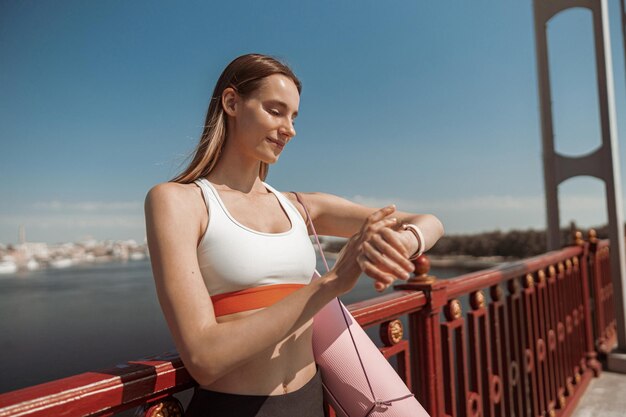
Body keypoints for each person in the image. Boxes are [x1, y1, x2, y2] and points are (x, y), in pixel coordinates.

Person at [144, 53, 445, 417]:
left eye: (294, 116)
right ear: (232, 102)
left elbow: (430, 222)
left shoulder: (300, 206)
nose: (290, 129)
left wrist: (399, 242)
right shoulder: (178, 202)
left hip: (309, 401)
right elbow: (203, 358)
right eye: (275, 111)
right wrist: (331, 283)